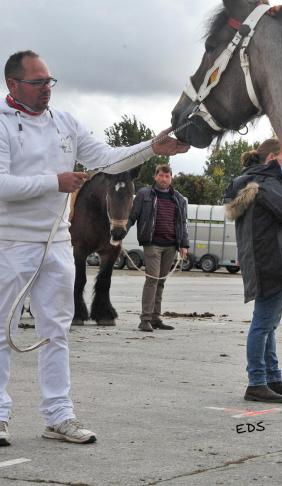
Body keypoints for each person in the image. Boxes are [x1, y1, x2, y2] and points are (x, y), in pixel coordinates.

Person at [0, 50, 189, 446]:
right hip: (10, 242)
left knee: (57, 331)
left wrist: (154, 147)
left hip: (55, 245)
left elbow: (108, 159)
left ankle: (59, 415)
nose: (46, 90)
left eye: (50, 81)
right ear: (12, 85)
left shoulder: (64, 123)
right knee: (3, 332)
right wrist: (56, 182)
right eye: (37, 83)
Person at [223, 139, 282, 403]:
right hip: (272, 262)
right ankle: (256, 382)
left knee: (268, 324)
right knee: (263, 324)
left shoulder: (255, 182)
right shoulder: (265, 184)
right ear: (273, 157)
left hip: (268, 261)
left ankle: (272, 378)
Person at [127, 164, 190, 332]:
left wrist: (184, 244)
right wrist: (119, 234)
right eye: (161, 176)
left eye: (167, 176)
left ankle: (155, 318)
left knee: (161, 282)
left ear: (171, 178)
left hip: (171, 246)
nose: (164, 179)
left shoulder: (179, 198)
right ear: (155, 177)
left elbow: (182, 223)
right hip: (152, 244)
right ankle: (145, 319)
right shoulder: (144, 194)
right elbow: (132, 216)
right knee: (152, 280)